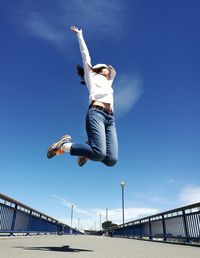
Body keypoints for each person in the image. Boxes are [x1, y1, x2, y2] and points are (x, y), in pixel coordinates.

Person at [47, 26, 118, 167]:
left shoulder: (108, 82)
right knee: (99, 154)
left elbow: (112, 77)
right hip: (96, 113)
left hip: (110, 119)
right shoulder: (91, 75)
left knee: (111, 160)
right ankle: (63, 146)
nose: (109, 72)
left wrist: (113, 73)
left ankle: (86, 151)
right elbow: (85, 54)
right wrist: (80, 35)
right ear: (100, 68)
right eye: (107, 70)